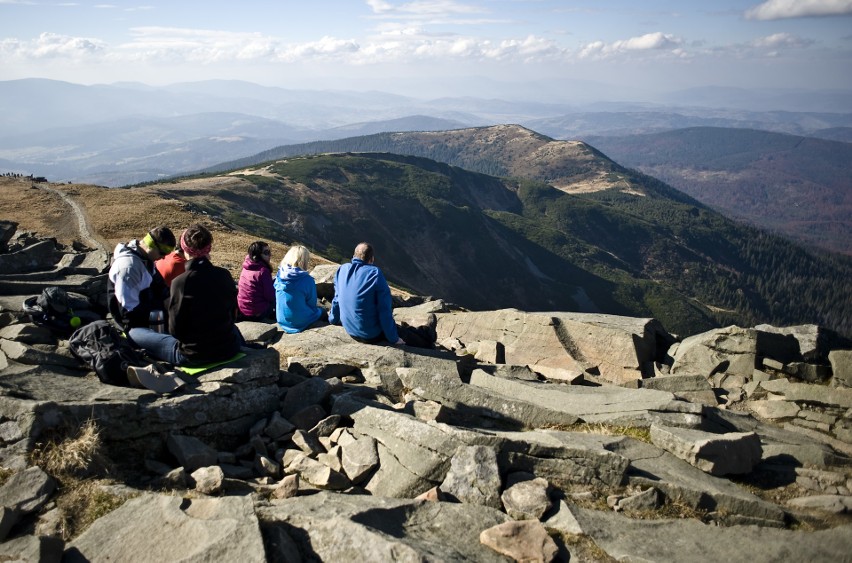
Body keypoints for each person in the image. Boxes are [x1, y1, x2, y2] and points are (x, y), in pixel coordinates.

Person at [128, 224, 243, 368]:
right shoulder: (224, 275)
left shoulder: (180, 283)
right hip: (230, 348)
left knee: (134, 333)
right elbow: (233, 314)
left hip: (193, 355)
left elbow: (175, 330)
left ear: (184, 249)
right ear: (209, 248)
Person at [329, 242, 435, 348]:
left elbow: (336, 299)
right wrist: (394, 339)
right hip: (370, 335)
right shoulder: (374, 273)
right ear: (372, 259)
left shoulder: (342, 270)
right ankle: (428, 336)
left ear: (354, 256)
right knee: (401, 332)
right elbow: (384, 311)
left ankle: (423, 330)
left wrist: (333, 319)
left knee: (395, 327)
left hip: (350, 330)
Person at [107, 226, 175, 331]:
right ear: (150, 245)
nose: (163, 257)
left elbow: (162, 288)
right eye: (162, 253)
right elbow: (129, 312)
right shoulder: (128, 268)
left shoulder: (146, 260)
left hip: (150, 315)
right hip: (135, 327)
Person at [274, 245, 325, 333]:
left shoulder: (279, 276)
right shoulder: (307, 280)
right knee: (323, 312)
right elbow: (312, 303)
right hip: (299, 322)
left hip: (281, 320)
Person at [237, 241, 275, 321]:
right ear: (257, 255)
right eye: (266, 252)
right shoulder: (263, 271)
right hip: (256, 313)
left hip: (243, 310)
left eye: (269, 252)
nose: (270, 255)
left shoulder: (246, 266)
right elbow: (270, 296)